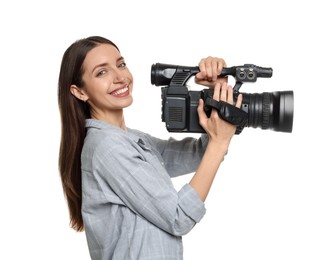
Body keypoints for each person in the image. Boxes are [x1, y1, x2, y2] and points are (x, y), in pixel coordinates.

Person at [58, 36, 242, 260]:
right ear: (79, 92)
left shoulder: (130, 139)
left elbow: (200, 154)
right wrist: (219, 142)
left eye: (121, 64)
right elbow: (178, 217)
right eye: (101, 72)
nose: (119, 77)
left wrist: (217, 91)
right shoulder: (108, 148)